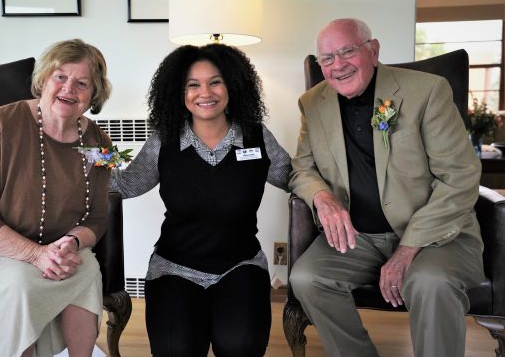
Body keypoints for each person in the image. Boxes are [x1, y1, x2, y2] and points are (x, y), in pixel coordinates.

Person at [288, 18, 485, 357]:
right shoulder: (313, 102)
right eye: (327, 58)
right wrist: (322, 197)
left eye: (347, 51)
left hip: (436, 237)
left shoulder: (427, 91)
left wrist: (408, 248)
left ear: (373, 50)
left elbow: (461, 177)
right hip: (359, 237)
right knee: (307, 278)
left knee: (430, 282)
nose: (338, 65)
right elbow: (301, 169)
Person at [111, 43, 291, 357]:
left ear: (233, 85)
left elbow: (294, 177)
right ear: (178, 93)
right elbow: (126, 185)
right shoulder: (163, 141)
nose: (204, 92)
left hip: (240, 265)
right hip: (174, 268)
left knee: (241, 346)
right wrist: (74, 166)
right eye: (192, 85)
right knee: (176, 350)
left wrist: (327, 191)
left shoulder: (256, 137)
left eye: (215, 81)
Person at [0, 39, 113, 356]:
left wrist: (71, 243)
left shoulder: (100, 142)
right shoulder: (1, 123)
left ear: (94, 94)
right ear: (44, 80)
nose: (68, 89)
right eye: (59, 77)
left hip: (55, 248)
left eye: (82, 83)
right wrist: (36, 255)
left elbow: (98, 216)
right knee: (21, 280)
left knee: (86, 266)